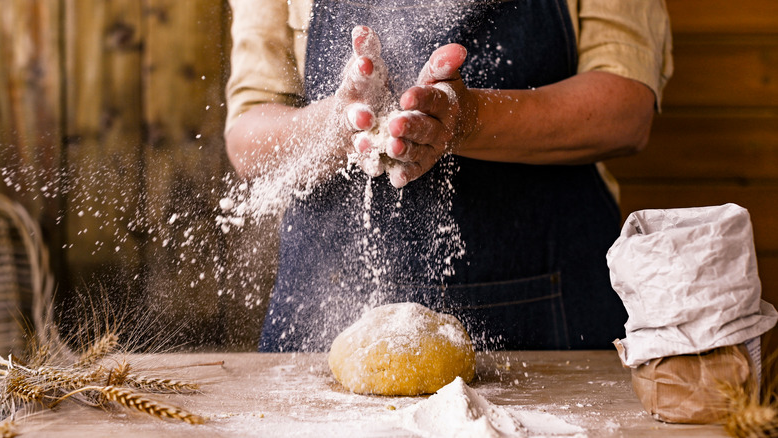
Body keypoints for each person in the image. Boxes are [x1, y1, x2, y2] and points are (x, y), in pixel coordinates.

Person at [225, 0, 673, 352]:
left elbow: (625, 111)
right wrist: (337, 126)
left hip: (548, 311)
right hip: (326, 314)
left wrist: (468, 119)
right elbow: (248, 136)